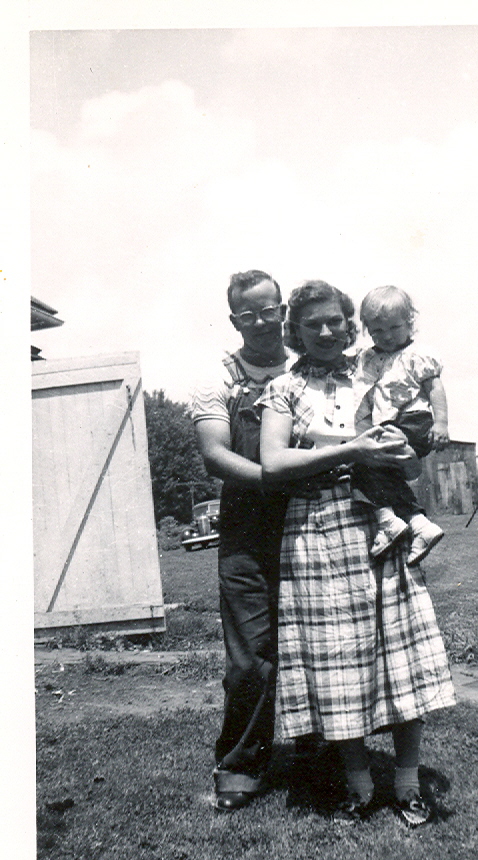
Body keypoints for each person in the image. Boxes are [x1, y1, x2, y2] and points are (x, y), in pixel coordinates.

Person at [258, 279, 456, 827]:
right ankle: (360, 784)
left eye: (335, 321)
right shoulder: (284, 388)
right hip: (317, 526)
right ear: (293, 332)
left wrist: (399, 453)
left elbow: (411, 453)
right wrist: (352, 448)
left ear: (352, 324)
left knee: (400, 652)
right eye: (311, 324)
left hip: (379, 519)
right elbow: (273, 463)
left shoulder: (377, 369)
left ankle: (409, 783)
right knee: (335, 660)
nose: (325, 331)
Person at [189, 269, 289, 812]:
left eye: (267, 309)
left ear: (283, 308)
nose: (259, 321)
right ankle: (240, 762)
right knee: (250, 655)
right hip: (248, 526)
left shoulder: (311, 367)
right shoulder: (220, 375)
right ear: (235, 320)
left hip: (316, 520)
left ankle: (332, 752)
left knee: (324, 640)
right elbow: (215, 456)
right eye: (246, 314)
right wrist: (283, 476)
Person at [352, 285, 449, 566]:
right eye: (377, 331)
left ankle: (387, 520)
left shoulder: (418, 354)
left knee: (368, 461)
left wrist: (441, 423)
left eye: (394, 328)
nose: (387, 336)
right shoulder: (370, 358)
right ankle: (418, 524)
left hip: (414, 420)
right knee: (375, 469)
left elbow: (435, 390)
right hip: (389, 422)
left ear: (410, 323)